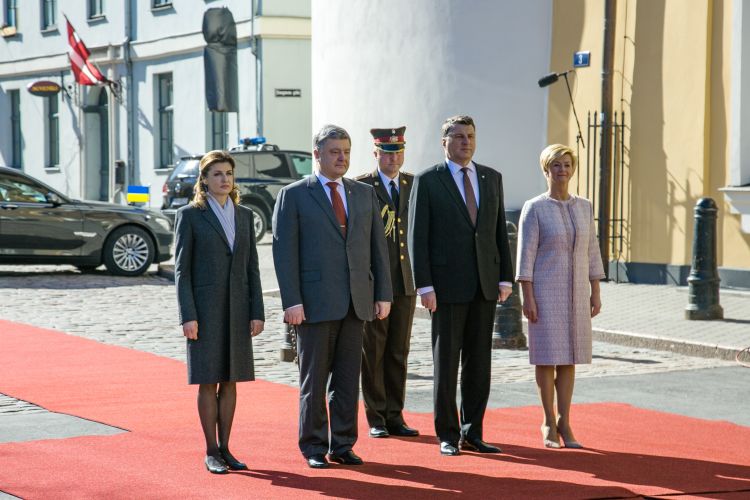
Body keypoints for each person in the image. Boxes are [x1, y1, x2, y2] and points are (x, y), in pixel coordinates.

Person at [272, 124, 392, 469]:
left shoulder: (363, 193)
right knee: (313, 380)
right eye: (335, 151)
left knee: (347, 380)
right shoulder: (295, 194)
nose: (342, 158)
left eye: (346, 152)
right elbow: (284, 253)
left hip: (356, 302)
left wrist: (382, 293)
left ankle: (343, 444)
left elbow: (378, 248)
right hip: (313, 304)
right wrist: (292, 301)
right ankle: (313, 445)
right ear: (317, 154)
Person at [408, 115, 513, 456]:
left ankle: (473, 432)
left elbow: (498, 232)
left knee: (479, 364)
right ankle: (447, 435)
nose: (466, 142)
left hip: (484, 284)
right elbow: (417, 237)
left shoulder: (491, 177)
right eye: (458, 136)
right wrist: (424, 286)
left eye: (470, 136)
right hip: (446, 287)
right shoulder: (428, 180)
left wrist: (505, 276)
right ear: (444, 142)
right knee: (447, 363)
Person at [174, 150, 265, 474]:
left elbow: (252, 268)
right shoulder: (190, 215)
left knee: (230, 380)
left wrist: (257, 311)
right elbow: (182, 271)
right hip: (205, 312)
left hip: (238, 310)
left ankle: (226, 448)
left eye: (228, 173)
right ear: (204, 179)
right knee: (208, 380)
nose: (224, 179)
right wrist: (188, 315)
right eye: (217, 174)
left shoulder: (244, 215)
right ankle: (211, 450)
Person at [516, 144, 605, 449]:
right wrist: (527, 297)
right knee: (547, 358)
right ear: (546, 170)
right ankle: (548, 422)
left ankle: (566, 421)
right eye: (556, 165)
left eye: (567, 165)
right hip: (545, 292)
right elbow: (525, 257)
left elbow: (592, 252)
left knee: (569, 358)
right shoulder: (534, 208)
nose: (562, 170)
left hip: (577, 293)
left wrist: (595, 291)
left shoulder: (584, 207)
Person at [355, 126, 419, 439]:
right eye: (387, 153)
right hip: (375, 282)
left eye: (398, 152)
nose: (394, 159)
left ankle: (395, 414)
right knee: (374, 351)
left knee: (398, 351)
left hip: (405, 281)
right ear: (376, 153)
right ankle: (376, 416)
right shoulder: (362, 186)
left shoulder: (413, 184)